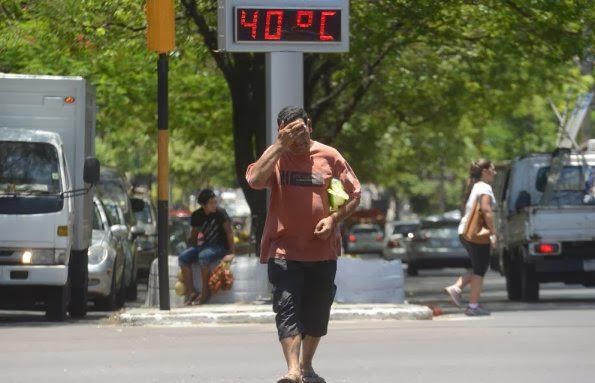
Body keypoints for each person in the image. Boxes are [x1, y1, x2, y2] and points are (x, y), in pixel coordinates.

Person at [246, 106, 361, 383]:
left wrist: (334, 220)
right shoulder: (276, 155)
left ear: (309, 125)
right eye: (290, 133)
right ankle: (293, 370)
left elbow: (355, 195)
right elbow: (254, 180)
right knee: (286, 308)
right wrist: (279, 146)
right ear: (280, 130)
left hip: (322, 252)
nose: (296, 139)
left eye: (300, 131)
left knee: (317, 313)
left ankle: (306, 365)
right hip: (283, 250)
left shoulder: (329, 156)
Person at [444, 159, 497, 316]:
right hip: (476, 234)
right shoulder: (484, 187)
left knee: (478, 266)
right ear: (485, 171)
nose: (495, 172)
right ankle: (472, 306)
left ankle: (457, 288)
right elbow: (486, 210)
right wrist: (493, 232)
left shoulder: (474, 186)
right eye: (492, 169)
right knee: (480, 270)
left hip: (465, 232)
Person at [178, 189, 235, 305]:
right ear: (203, 205)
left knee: (204, 256)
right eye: (211, 203)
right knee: (183, 257)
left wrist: (231, 253)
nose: (214, 205)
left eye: (215, 202)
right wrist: (191, 251)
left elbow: (229, 233)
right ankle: (191, 292)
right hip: (206, 245)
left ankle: (205, 293)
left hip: (220, 246)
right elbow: (194, 235)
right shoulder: (197, 215)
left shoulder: (221, 213)